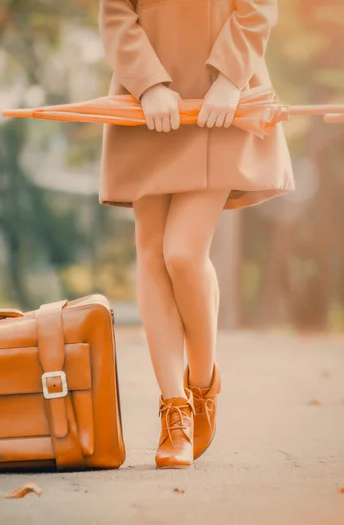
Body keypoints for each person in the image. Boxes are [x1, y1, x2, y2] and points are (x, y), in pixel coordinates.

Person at [98, 0, 294, 468]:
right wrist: (147, 84)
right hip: (146, 100)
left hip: (223, 100)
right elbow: (115, 13)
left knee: (182, 253)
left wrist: (229, 79)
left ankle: (203, 382)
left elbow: (258, 6)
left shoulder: (228, 87)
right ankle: (175, 410)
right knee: (151, 253)